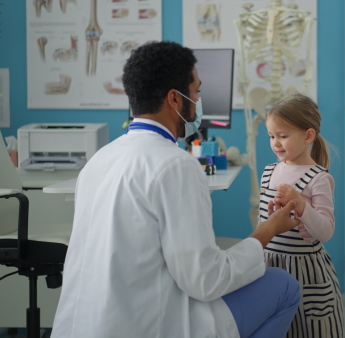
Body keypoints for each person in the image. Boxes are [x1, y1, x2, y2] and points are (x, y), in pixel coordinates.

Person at [51, 41, 303, 338]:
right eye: (196, 92)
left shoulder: (101, 158)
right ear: (175, 98)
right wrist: (266, 231)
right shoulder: (176, 166)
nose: (198, 101)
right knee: (284, 286)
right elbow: (206, 281)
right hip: (145, 327)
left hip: (83, 325)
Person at [258, 93, 345, 337]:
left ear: (308, 136)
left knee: (309, 329)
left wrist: (301, 205)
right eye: (271, 136)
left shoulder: (318, 178)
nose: (276, 143)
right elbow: (262, 224)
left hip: (306, 274)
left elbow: (326, 231)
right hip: (270, 266)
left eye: (283, 136)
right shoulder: (268, 173)